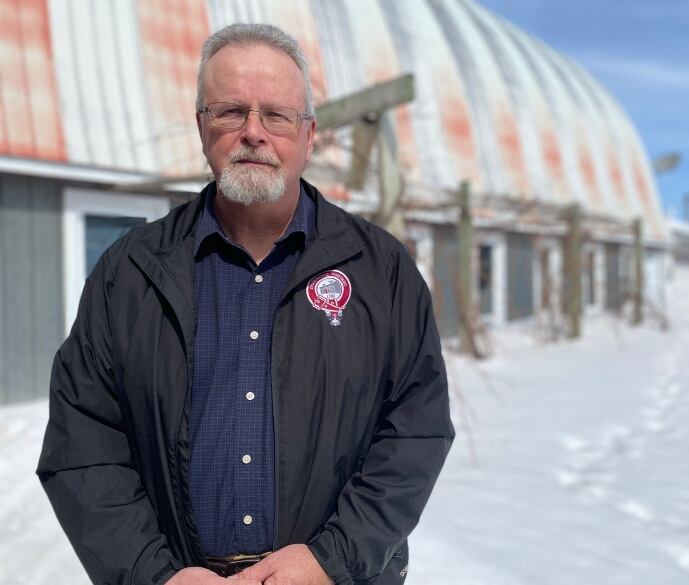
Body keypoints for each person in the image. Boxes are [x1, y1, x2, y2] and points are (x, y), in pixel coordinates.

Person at [36, 22, 454, 585]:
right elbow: (84, 441)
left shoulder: (381, 270)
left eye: (276, 115)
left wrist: (332, 559)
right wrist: (153, 574)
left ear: (309, 136)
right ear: (202, 127)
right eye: (231, 111)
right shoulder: (130, 272)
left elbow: (415, 430)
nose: (253, 132)